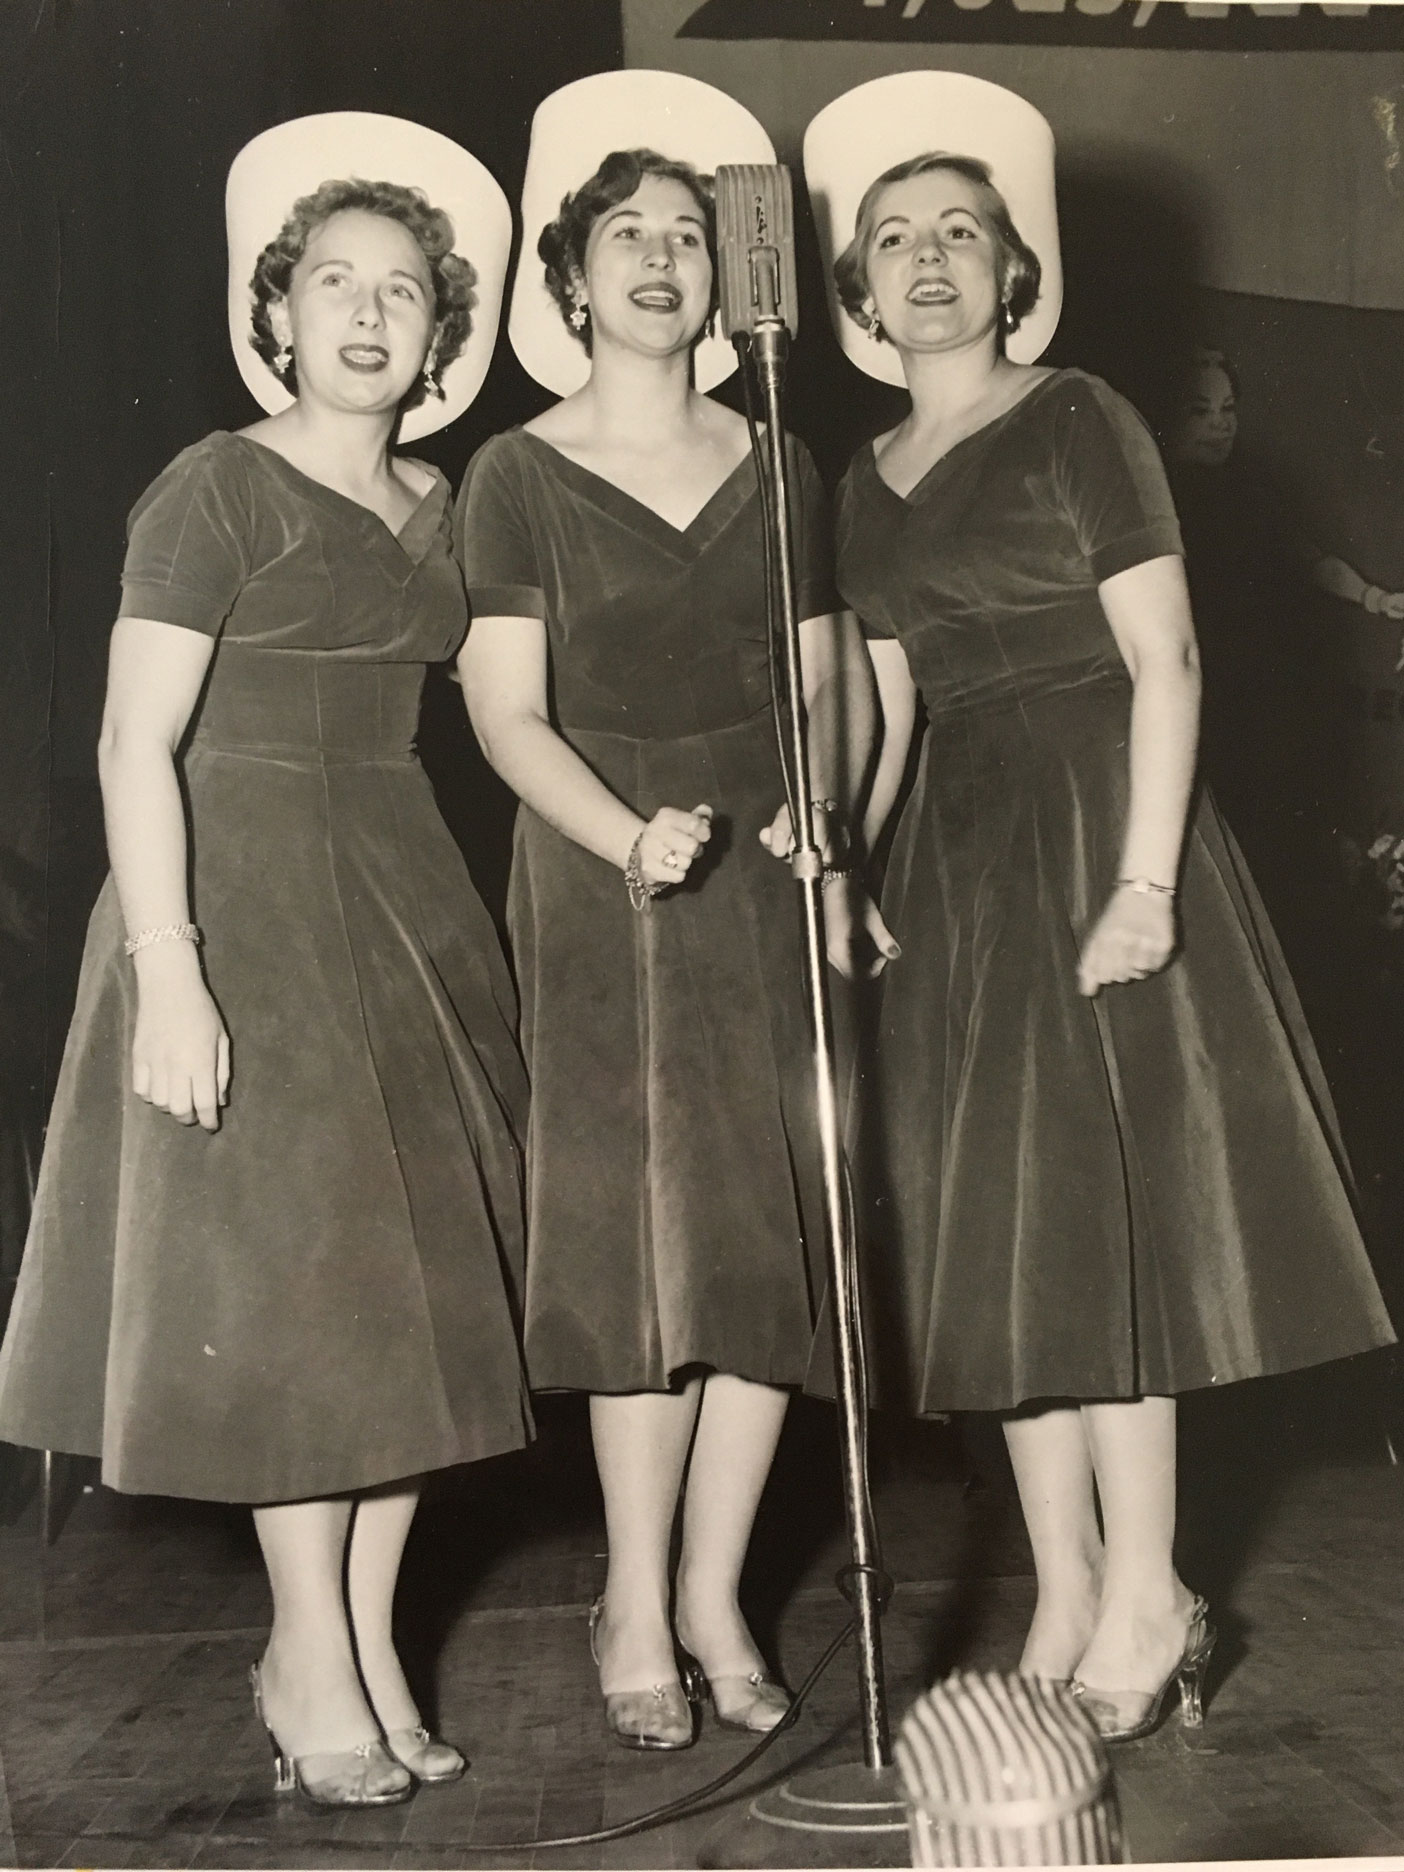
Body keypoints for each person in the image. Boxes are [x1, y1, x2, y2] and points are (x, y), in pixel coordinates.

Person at [827, 147, 1394, 1740]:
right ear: (856, 290)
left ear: (1018, 270)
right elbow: (888, 702)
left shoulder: (1083, 418)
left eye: (961, 232)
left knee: (1111, 1233)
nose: (928, 257)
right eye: (893, 238)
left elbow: (1171, 656)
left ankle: (1150, 1590)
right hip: (956, 863)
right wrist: (853, 861)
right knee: (999, 1234)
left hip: (1096, 828)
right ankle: (1066, 1591)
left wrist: (1145, 885)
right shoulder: (862, 482)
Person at [0, 167, 533, 1806]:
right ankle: (306, 1651)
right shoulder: (215, 487)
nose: (368, 312)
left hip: (401, 896)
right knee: (299, 1313)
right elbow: (129, 742)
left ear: (443, 330)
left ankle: (365, 1646)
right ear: (275, 316)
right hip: (233, 898)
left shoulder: (449, 506)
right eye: (333, 283)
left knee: (410, 1310)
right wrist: (173, 971)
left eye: (403, 290)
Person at [457, 145, 876, 1750]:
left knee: (764, 1239)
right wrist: (625, 836)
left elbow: (825, 676)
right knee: (645, 1254)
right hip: (603, 873)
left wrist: (816, 810)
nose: (657, 258)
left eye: (687, 236)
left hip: (761, 872)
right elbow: (504, 710)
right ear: (570, 279)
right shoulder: (518, 471)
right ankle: (632, 1596)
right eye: (623, 235)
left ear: (729, 276)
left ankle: (716, 1594)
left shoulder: (783, 464)